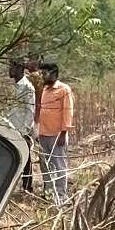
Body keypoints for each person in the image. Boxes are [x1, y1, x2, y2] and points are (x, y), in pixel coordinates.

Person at [37, 61, 74, 204]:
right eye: (42, 73)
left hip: (57, 135)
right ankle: (49, 194)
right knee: (45, 165)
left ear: (54, 74)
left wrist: (64, 133)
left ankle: (61, 196)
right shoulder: (45, 90)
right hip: (43, 134)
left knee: (58, 165)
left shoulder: (64, 90)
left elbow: (68, 112)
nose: (43, 77)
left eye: (45, 73)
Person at [7, 60, 36, 193]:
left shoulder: (27, 87)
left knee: (26, 158)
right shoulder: (13, 87)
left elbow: (30, 111)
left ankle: (27, 187)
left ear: (19, 68)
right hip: (10, 127)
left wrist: (24, 131)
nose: (9, 70)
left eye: (12, 67)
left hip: (21, 130)